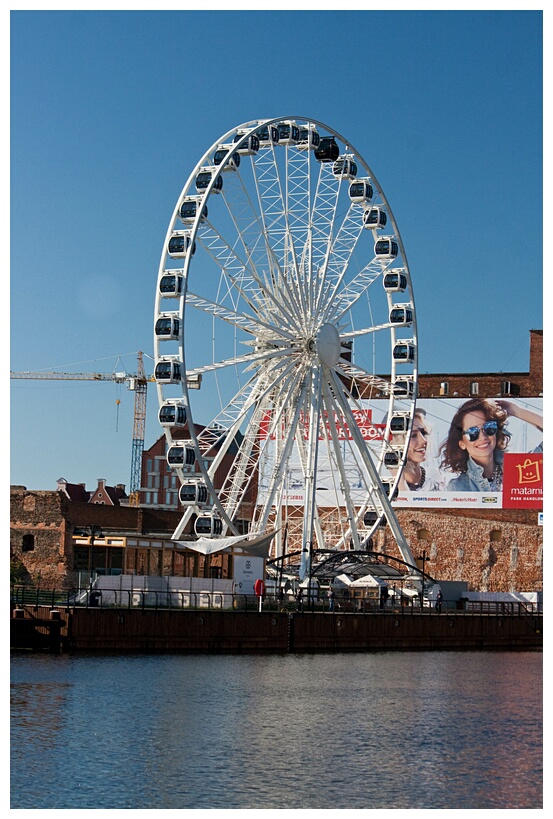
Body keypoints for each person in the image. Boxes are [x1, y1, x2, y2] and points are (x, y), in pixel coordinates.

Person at [440, 398, 543, 492]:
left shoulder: (519, 470)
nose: (483, 436)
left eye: (489, 427)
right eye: (472, 432)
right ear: (462, 444)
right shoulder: (458, 487)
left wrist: (516, 410)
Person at [391, 409, 444, 492]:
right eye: (413, 435)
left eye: (424, 433)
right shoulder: (384, 483)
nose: (423, 440)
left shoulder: (434, 477)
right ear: (396, 442)